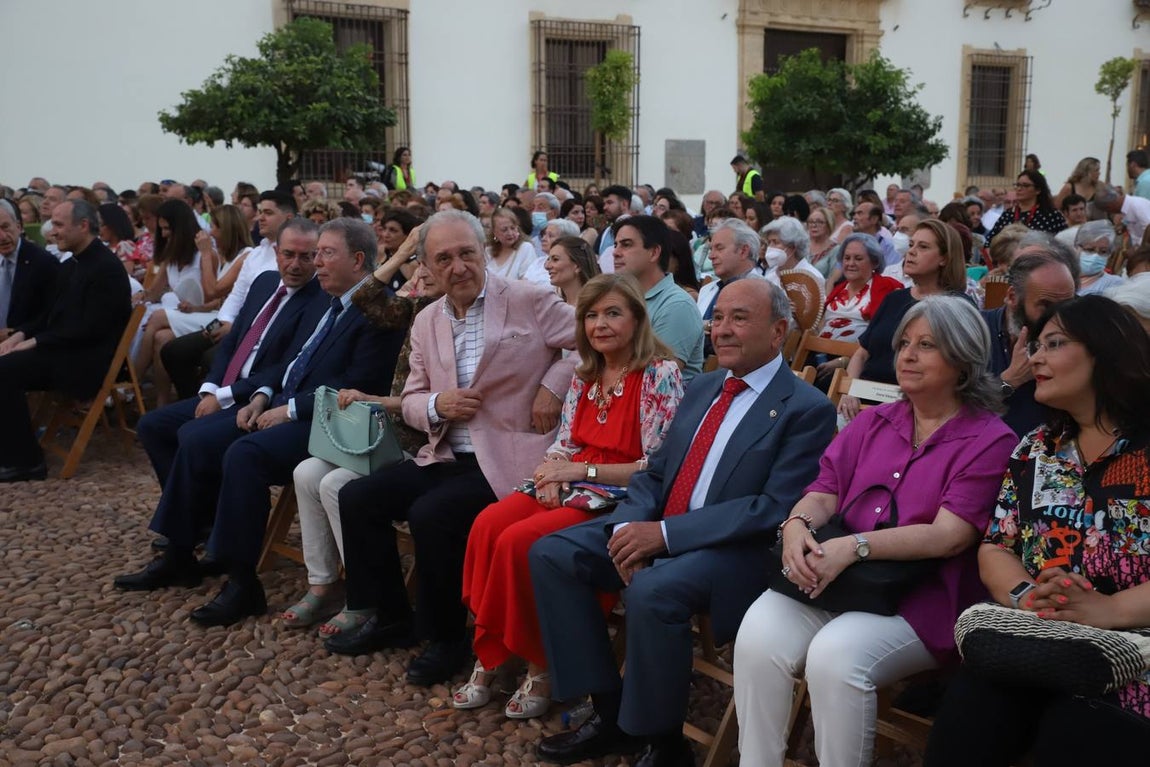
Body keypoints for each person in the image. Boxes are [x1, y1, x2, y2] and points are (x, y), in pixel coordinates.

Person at [529, 278, 836, 766]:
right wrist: (626, 529)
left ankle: (662, 741)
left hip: (734, 548)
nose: (723, 330)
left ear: (778, 331)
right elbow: (656, 472)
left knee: (654, 591)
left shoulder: (806, 408)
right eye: (717, 318)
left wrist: (663, 536)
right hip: (663, 526)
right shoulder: (706, 385)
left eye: (740, 318)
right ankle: (610, 713)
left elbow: (771, 508)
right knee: (552, 554)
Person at [735, 295, 1015, 767]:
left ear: (963, 360)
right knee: (758, 637)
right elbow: (824, 491)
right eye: (904, 342)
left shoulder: (989, 439)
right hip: (838, 577)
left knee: (836, 659)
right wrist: (797, 527)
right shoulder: (873, 421)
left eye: (926, 345)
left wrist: (856, 546)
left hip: (923, 595)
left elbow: (951, 535)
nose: (906, 354)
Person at [323, 211, 577, 689]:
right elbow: (414, 398)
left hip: (507, 456)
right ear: (426, 268)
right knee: (357, 497)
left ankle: (446, 639)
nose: (458, 267)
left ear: (483, 253)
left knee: (431, 514)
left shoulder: (527, 298)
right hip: (443, 452)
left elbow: (593, 340)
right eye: (444, 259)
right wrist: (439, 404)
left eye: (467, 254)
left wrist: (554, 383)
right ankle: (394, 615)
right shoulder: (426, 321)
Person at [113, 218, 405, 628]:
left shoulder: (375, 309)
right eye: (310, 253)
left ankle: (240, 580)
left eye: (324, 253)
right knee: (193, 435)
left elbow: (353, 386)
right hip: (288, 403)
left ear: (358, 260)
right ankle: (194, 551)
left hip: (331, 420)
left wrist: (286, 410)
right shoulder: (336, 300)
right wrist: (264, 396)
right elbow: (297, 364)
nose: (316, 263)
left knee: (244, 455)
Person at [924, 295, 1150, 767]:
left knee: (1079, 734)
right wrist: (1028, 595)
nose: (1035, 357)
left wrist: (1107, 609)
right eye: (1037, 344)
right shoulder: (1038, 449)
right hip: (1040, 637)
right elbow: (997, 545)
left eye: (1055, 343)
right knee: (968, 715)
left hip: (1138, 653)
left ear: (1105, 351)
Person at [455, 273, 683, 720]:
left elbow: (657, 466)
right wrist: (550, 472)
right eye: (592, 315)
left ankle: (541, 663)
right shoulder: (586, 372)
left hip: (620, 494)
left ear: (637, 318)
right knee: (488, 524)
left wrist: (579, 470)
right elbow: (565, 441)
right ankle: (495, 649)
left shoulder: (660, 373)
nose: (600, 324)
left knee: (522, 542)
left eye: (613, 313)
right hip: (573, 480)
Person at [284, 261, 445, 636]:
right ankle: (323, 581)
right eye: (419, 266)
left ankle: (365, 595)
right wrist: (405, 255)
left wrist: (376, 401)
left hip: (423, 439)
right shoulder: (413, 308)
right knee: (305, 472)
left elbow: (429, 403)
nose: (420, 276)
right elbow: (367, 298)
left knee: (335, 485)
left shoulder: (452, 319)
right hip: (389, 429)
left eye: (429, 267)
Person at [0, 200, 131, 481]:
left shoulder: (105, 268)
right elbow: (49, 315)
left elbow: (87, 329)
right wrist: (20, 336)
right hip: (65, 351)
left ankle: (27, 462)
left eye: (59, 224)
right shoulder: (73, 264)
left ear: (83, 226)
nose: (52, 231)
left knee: (5, 370)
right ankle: (12, 449)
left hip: (85, 362)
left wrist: (35, 343)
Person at [841, 220, 969, 419]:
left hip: (918, 409)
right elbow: (861, 354)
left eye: (923, 247)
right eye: (911, 245)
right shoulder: (894, 298)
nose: (911, 252)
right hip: (861, 402)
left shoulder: (957, 306)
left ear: (944, 258)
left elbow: (960, 369)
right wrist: (849, 390)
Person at [982, 240, 1078, 437]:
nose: (1057, 317)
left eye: (1066, 304)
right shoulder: (973, 331)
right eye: (1045, 305)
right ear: (1012, 297)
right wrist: (1009, 381)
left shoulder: (1079, 341)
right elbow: (947, 411)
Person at [611, 215, 704, 382]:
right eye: (616, 245)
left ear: (654, 252)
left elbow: (657, 378)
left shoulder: (677, 305)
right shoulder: (621, 298)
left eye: (626, 245)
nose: (615, 253)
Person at [817, 233, 903, 347]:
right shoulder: (839, 288)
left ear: (875, 262)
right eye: (847, 258)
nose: (850, 263)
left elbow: (884, 334)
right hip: (819, 353)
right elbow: (820, 325)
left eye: (858, 258)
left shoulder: (888, 287)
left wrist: (843, 360)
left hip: (856, 359)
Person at [0, 199, 57, 339]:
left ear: (19, 226)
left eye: (5, 227)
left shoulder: (43, 262)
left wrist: (17, 332)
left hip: (26, 343)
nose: (2, 237)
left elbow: (51, 314)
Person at [760, 217, 827, 306]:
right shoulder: (770, 275)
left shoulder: (812, 276)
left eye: (775, 242)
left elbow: (815, 315)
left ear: (792, 247)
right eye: (769, 242)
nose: (770, 247)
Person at [986, 170, 1067, 242]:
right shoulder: (1008, 214)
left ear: (1038, 190)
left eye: (1025, 185)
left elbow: (1063, 243)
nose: (1019, 189)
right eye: (1017, 185)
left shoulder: (1051, 215)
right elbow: (990, 241)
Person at [1073, 219, 1124, 295]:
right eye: (1090, 250)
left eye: (1103, 252)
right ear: (1076, 248)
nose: (1095, 256)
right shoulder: (1063, 276)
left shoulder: (1115, 284)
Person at [545, 235, 599, 306]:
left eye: (555, 259)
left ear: (577, 266)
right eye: (548, 259)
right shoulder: (555, 307)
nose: (547, 266)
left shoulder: (595, 307)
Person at [1092, 182, 1150, 248]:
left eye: (1107, 211)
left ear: (1110, 207)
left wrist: (1136, 248)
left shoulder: (1136, 206)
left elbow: (1148, 231)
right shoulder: (1127, 208)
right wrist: (1124, 226)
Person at [486, 207, 537, 281]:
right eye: (504, 230)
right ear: (494, 232)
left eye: (513, 228)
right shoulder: (488, 251)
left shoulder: (526, 248)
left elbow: (528, 282)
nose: (510, 233)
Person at [806, 205, 838, 279]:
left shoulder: (835, 249)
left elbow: (833, 278)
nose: (814, 225)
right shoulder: (803, 246)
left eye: (819, 222)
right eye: (811, 222)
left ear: (829, 225)